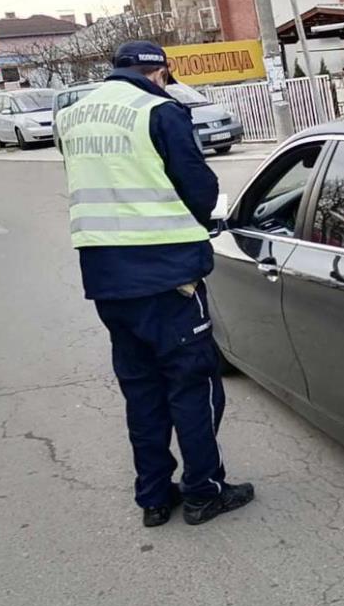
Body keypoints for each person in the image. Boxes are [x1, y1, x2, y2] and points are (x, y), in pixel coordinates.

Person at [56, 40, 254, 527]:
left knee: (141, 390)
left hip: (106, 280)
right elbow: (199, 188)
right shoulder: (159, 110)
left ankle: (153, 497)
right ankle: (205, 491)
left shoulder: (73, 116)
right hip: (168, 279)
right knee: (192, 385)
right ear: (160, 72)